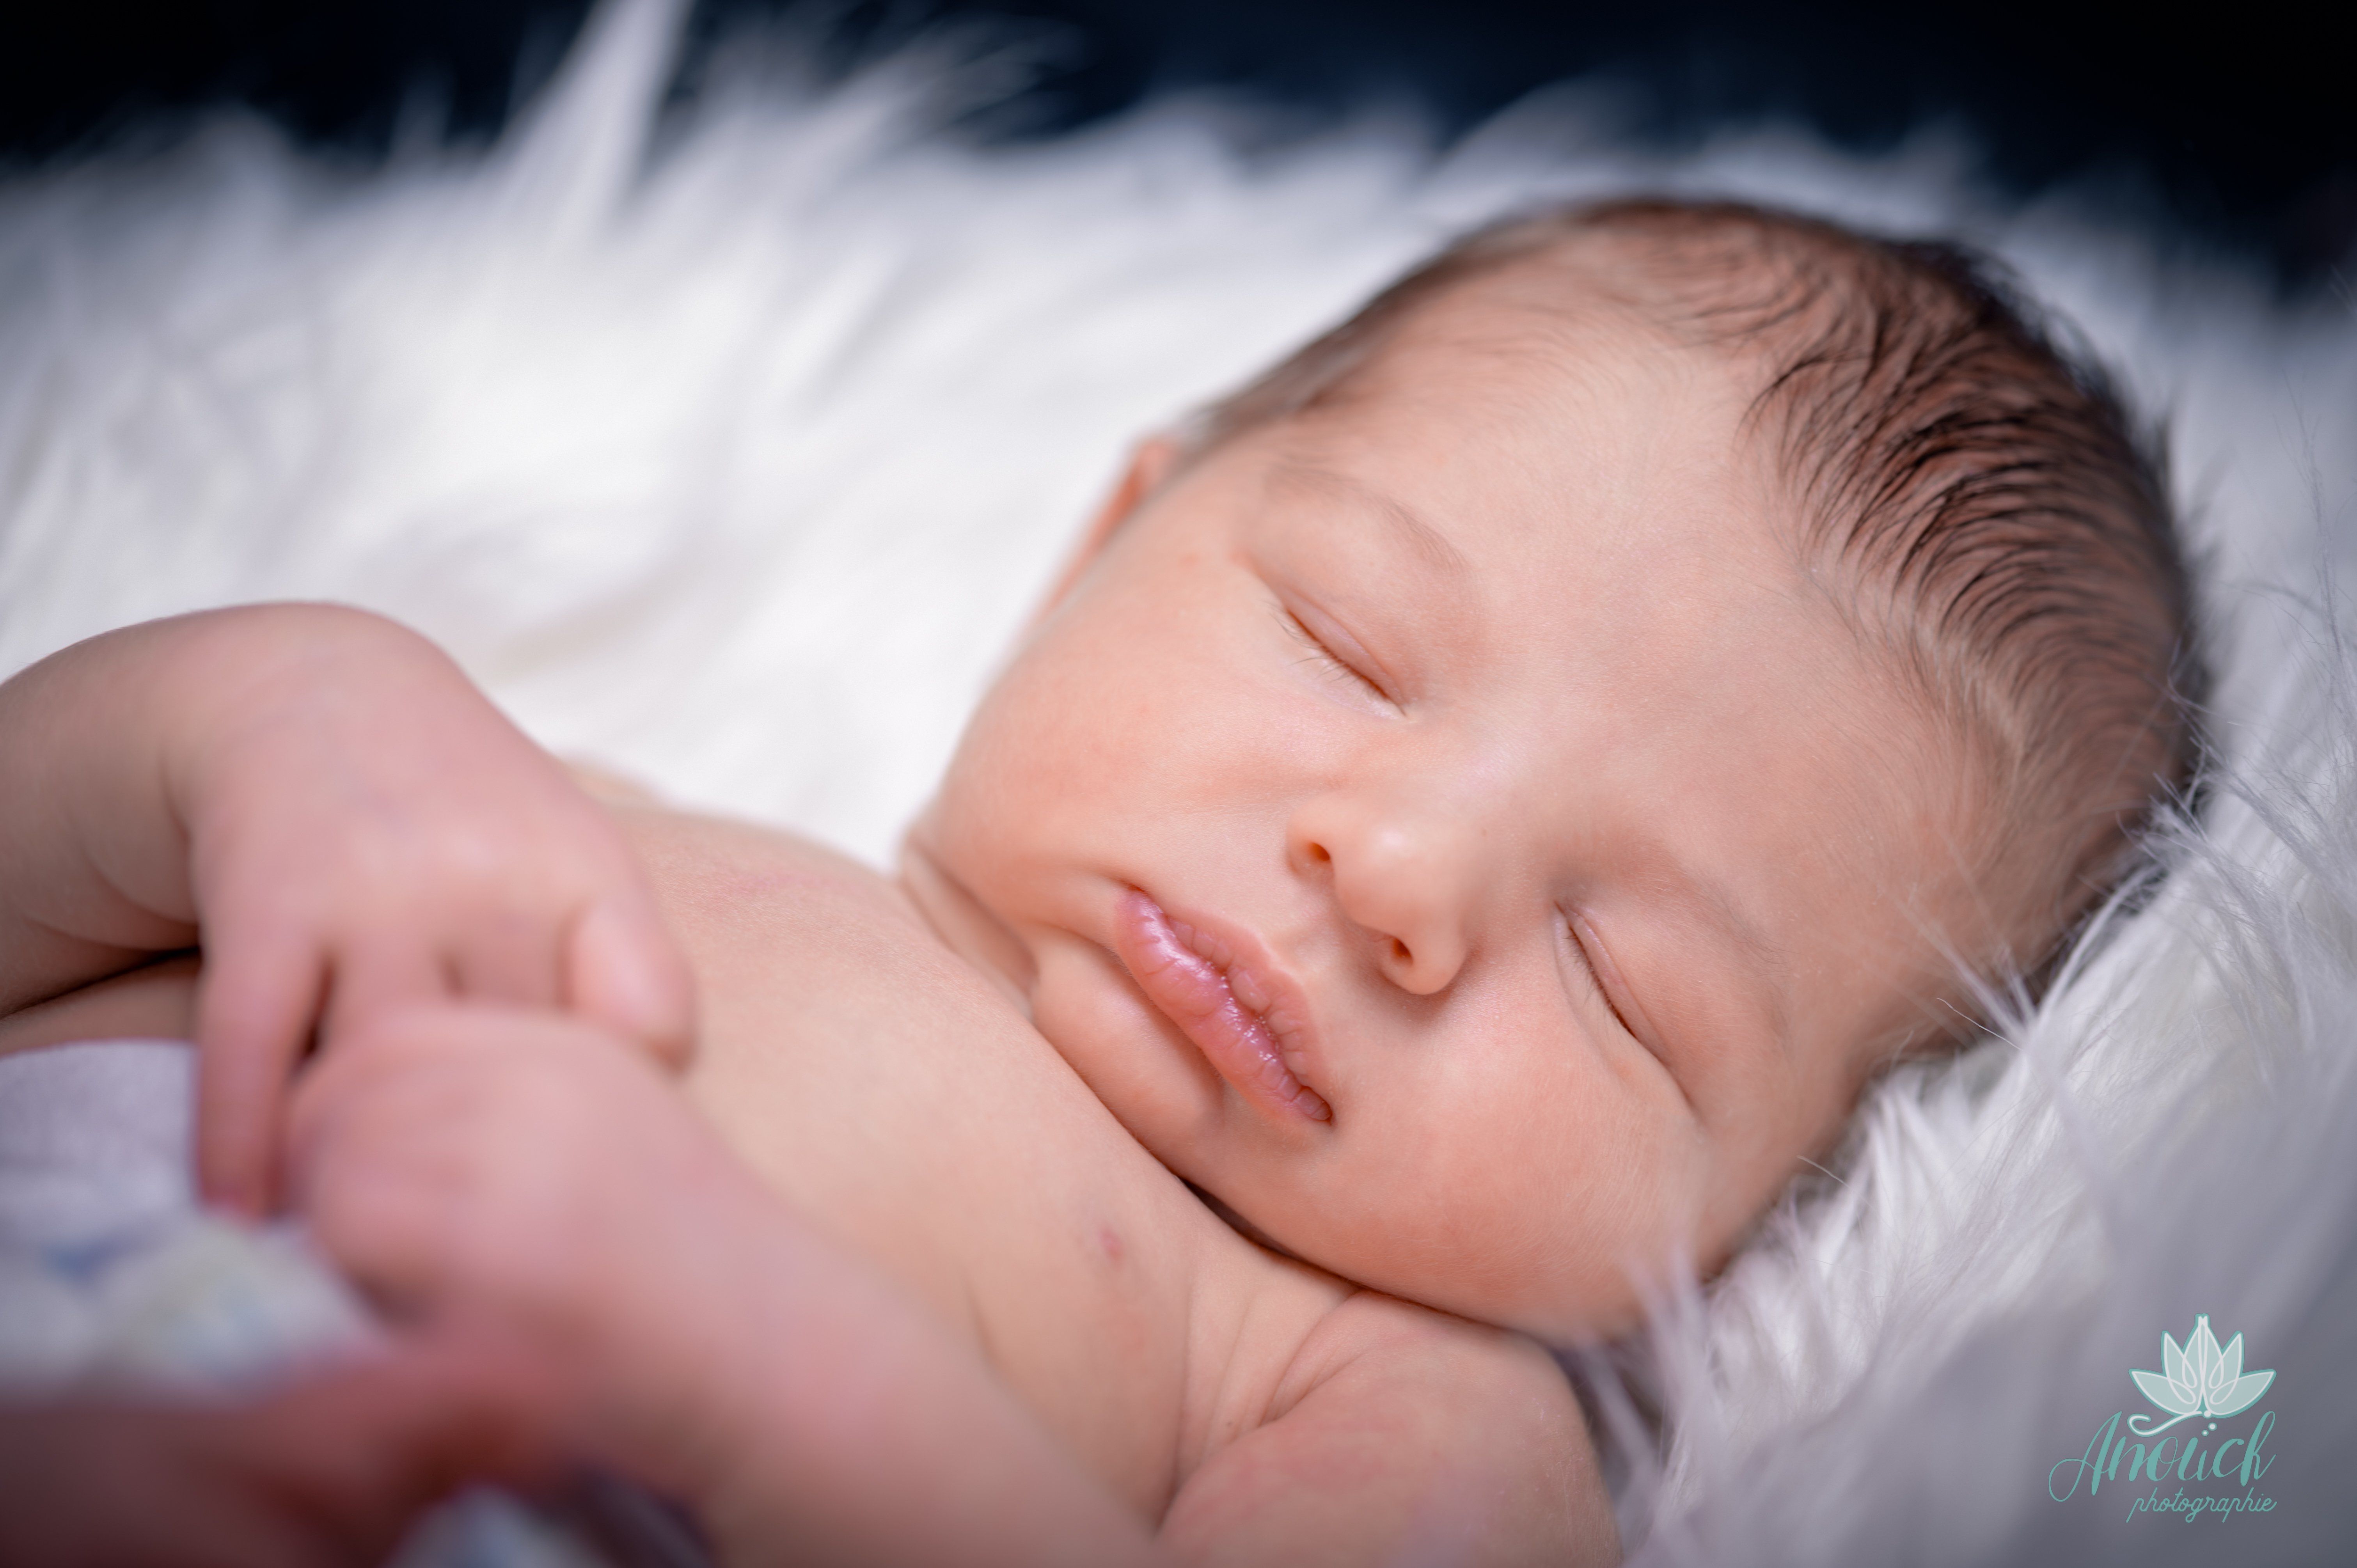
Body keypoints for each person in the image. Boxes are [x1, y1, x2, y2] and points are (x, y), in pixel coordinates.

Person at [0, 198, 2201, 1565]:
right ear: (1102, 542)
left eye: (1624, 980)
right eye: (1349, 640)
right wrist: (266, 712)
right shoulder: (558, 818)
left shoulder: (1376, 1388)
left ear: (1768, 1207)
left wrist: (771, 1375)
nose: (1397, 869)